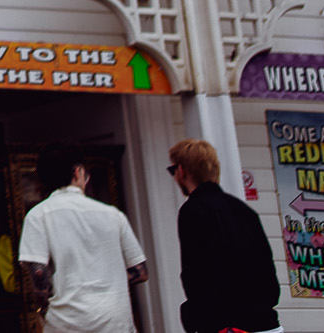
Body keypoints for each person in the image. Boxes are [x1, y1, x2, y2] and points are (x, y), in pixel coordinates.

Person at [17, 145, 148, 333]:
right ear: (78, 173)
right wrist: (111, 279)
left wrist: (44, 310)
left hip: (67, 322)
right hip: (115, 320)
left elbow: (38, 275)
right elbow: (140, 272)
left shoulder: (38, 216)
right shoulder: (112, 214)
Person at [167, 138, 281, 333]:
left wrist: (197, 319)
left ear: (182, 170)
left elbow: (196, 274)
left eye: (173, 171)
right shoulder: (244, 210)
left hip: (227, 325)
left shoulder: (193, 210)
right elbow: (266, 268)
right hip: (267, 323)